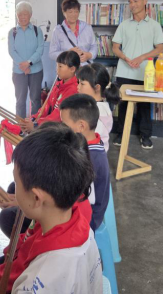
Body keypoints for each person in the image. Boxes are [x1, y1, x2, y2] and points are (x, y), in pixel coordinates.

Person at [0, 123, 102, 294]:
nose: (15, 189)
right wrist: (2, 262)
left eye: (17, 183)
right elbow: (27, 248)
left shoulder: (37, 283)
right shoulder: (79, 225)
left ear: (36, 198)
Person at [111, 0, 163, 150]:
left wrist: (142, 57)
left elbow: (160, 48)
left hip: (145, 72)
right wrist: (125, 58)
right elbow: (115, 47)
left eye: (135, 1)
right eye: (130, 2)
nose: (132, 5)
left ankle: (145, 136)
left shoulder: (154, 25)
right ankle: (121, 134)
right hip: (124, 71)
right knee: (123, 105)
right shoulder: (124, 25)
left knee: (144, 106)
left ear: (145, 1)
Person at [60, 94, 110, 231]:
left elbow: (68, 197)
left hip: (86, 221)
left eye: (64, 124)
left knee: (11, 216)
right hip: (83, 211)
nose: (60, 128)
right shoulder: (91, 143)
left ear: (81, 126)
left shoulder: (88, 158)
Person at [19, 51, 80, 133]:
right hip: (49, 126)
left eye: (60, 66)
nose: (57, 69)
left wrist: (37, 125)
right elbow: (47, 105)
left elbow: (58, 116)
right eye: (57, 66)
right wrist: (34, 118)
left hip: (60, 131)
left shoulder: (73, 90)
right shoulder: (58, 83)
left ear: (72, 69)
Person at [8, 1, 44, 119]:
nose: (23, 17)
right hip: (19, 72)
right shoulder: (12, 32)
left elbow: (40, 49)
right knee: (20, 100)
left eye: (25, 14)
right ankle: (20, 125)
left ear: (30, 15)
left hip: (36, 70)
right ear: (17, 15)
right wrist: (23, 66)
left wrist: (29, 63)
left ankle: (35, 124)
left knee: (36, 99)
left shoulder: (37, 30)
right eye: (20, 14)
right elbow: (12, 51)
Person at [76, 63, 121, 152]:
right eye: (78, 82)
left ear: (97, 87)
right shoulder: (97, 106)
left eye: (82, 84)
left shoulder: (97, 112)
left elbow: (88, 141)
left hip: (92, 155)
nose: (78, 87)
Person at [50, 0, 97, 66]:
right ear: (64, 12)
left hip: (85, 67)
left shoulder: (87, 27)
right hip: (67, 68)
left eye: (76, 11)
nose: (73, 14)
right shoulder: (57, 30)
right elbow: (52, 53)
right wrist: (67, 53)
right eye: (70, 12)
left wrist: (89, 55)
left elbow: (94, 46)